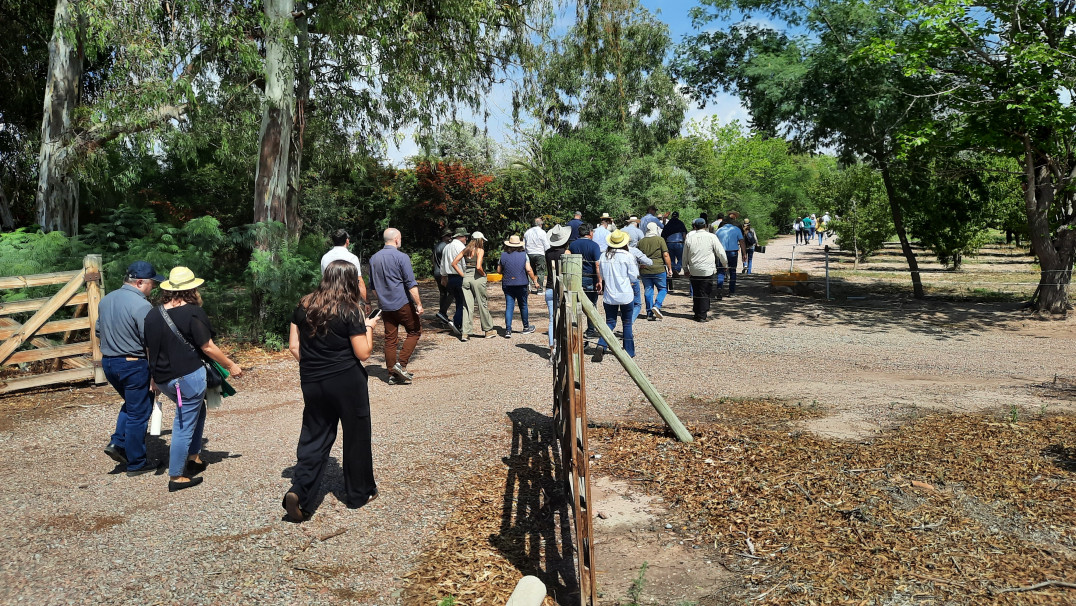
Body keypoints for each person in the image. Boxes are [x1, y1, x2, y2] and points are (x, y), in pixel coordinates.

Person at [284, 261, 381, 522]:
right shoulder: (350, 310)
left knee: (314, 436)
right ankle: (359, 493)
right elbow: (363, 353)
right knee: (356, 435)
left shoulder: (303, 305)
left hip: (312, 380)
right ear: (350, 281)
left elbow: (294, 347)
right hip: (347, 380)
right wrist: (370, 327)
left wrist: (315, 366)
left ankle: (299, 492)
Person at [143, 266, 242, 491]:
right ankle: (177, 476)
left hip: (163, 378)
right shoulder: (193, 313)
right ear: (192, 288)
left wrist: (152, 377)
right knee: (183, 422)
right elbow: (207, 346)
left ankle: (194, 458)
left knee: (198, 411)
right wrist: (230, 365)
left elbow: (149, 350)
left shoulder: (152, 314)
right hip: (186, 379)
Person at [99, 261, 167, 475]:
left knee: (131, 404)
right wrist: (155, 374)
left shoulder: (106, 299)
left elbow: (98, 331)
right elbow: (149, 342)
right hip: (133, 364)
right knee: (140, 412)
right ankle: (136, 462)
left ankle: (118, 442)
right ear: (139, 282)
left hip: (109, 362)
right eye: (152, 284)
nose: (153, 288)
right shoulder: (141, 305)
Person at [368, 228, 424, 384]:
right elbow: (410, 284)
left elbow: (373, 287)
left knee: (390, 339)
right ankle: (401, 364)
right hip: (402, 303)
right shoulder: (402, 257)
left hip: (385, 305)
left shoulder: (373, 259)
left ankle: (391, 374)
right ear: (397, 239)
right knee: (414, 331)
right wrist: (418, 304)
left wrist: (382, 301)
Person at [593, 230, 639, 362]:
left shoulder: (604, 256)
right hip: (625, 294)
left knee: (610, 322)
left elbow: (601, 272)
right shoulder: (628, 256)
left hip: (609, 294)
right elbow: (634, 276)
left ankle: (601, 344)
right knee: (627, 322)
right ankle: (629, 351)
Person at [684, 218, 728, 322]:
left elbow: (684, 255)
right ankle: (702, 315)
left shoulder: (689, 238)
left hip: (694, 269)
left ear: (694, 226)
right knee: (705, 292)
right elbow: (720, 252)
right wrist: (725, 263)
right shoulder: (712, 237)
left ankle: (697, 312)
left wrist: (685, 268)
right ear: (706, 225)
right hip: (707, 269)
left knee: (696, 291)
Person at [454, 232, 495, 339]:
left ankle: (465, 333)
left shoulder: (465, 250)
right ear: (480, 240)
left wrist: (463, 274)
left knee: (467, 306)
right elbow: (478, 266)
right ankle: (488, 330)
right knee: (482, 304)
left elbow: (454, 263)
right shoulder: (480, 250)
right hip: (477, 278)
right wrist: (484, 274)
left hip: (467, 277)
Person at [497, 235, 540, 337]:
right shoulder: (524, 255)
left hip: (507, 283)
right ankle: (526, 327)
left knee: (509, 306)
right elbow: (528, 269)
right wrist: (535, 281)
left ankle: (508, 330)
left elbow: (498, 270)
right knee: (523, 305)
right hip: (521, 283)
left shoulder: (503, 255)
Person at [568, 223, 603, 337]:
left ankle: (575, 328)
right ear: (590, 232)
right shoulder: (594, 246)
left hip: (577, 277)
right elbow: (597, 265)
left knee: (576, 304)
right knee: (591, 304)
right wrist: (600, 280)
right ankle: (590, 329)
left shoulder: (572, 245)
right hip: (590, 277)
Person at [320, 229, 369, 307]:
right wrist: (367, 302)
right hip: (348, 300)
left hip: (329, 300)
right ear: (347, 241)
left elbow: (324, 280)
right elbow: (359, 282)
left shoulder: (325, 257)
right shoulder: (352, 258)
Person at [543, 225, 571, 356]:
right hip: (562, 288)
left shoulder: (548, 253)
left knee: (551, 319)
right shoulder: (566, 253)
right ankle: (564, 346)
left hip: (549, 287)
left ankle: (552, 348)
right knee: (565, 317)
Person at [637, 223, 672, 320]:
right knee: (663, 289)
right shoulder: (660, 240)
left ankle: (649, 313)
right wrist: (669, 268)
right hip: (658, 268)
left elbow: (637, 255)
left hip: (645, 269)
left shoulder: (641, 242)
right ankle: (657, 305)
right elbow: (665, 255)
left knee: (648, 290)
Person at [440, 228, 468, 337]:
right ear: (460, 236)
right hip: (459, 276)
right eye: (465, 236)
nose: (466, 238)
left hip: (450, 277)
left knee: (458, 300)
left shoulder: (447, 247)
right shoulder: (461, 247)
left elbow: (443, 263)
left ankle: (458, 322)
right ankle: (456, 322)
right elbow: (463, 263)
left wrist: (443, 276)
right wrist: (466, 275)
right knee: (463, 302)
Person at [716, 218, 748, 296]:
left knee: (721, 271)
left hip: (722, 252)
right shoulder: (736, 229)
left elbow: (715, 243)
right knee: (733, 271)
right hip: (733, 253)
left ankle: (719, 288)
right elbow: (742, 242)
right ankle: (731, 291)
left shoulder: (719, 230)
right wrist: (744, 254)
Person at [432, 229, 453, 326]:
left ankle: (442, 316)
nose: (450, 238)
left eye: (451, 235)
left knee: (443, 294)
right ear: (443, 237)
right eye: (448, 236)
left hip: (436, 271)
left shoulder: (436, 246)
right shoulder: (445, 247)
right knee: (451, 293)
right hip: (442, 273)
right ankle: (442, 312)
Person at [524, 217, 550, 294]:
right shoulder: (542, 232)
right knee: (540, 271)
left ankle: (528, 287)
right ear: (540, 224)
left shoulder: (527, 232)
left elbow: (523, 245)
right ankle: (540, 289)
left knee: (529, 270)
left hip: (529, 253)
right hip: (539, 253)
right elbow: (546, 245)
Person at [661, 211, 688, 275]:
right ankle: (677, 269)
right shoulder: (681, 223)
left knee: (671, 259)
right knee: (681, 258)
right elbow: (684, 234)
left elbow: (663, 235)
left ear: (671, 216)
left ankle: (673, 270)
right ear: (678, 216)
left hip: (669, 243)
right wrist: (685, 242)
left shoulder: (668, 224)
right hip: (679, 243)